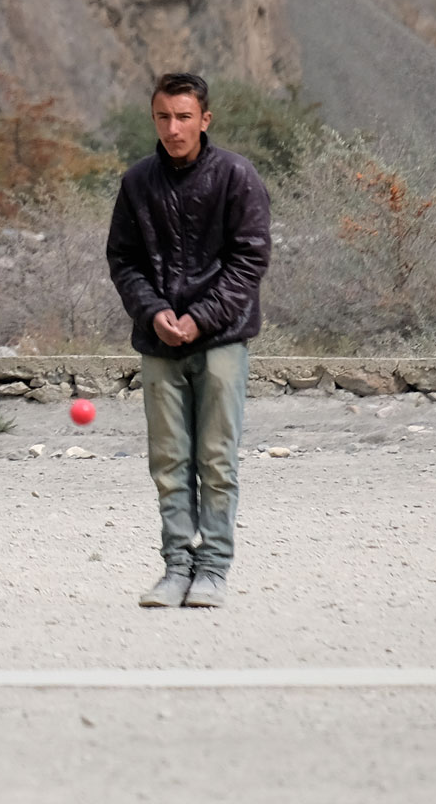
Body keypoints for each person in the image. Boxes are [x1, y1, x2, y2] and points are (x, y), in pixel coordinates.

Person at [106, 72, 272, 609]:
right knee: (168, 459)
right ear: (152, 118)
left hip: (221, 337)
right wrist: (154, 313)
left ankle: (214, 570)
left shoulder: (236, 176)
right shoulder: (137, 182)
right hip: (158, 342)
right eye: (163, 116)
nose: (173, 127)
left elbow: (250, 259)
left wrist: (201, 318)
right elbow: (124, 260)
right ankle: (176, 566)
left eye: (183, 116)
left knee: (217, 457)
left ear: (205, 119)